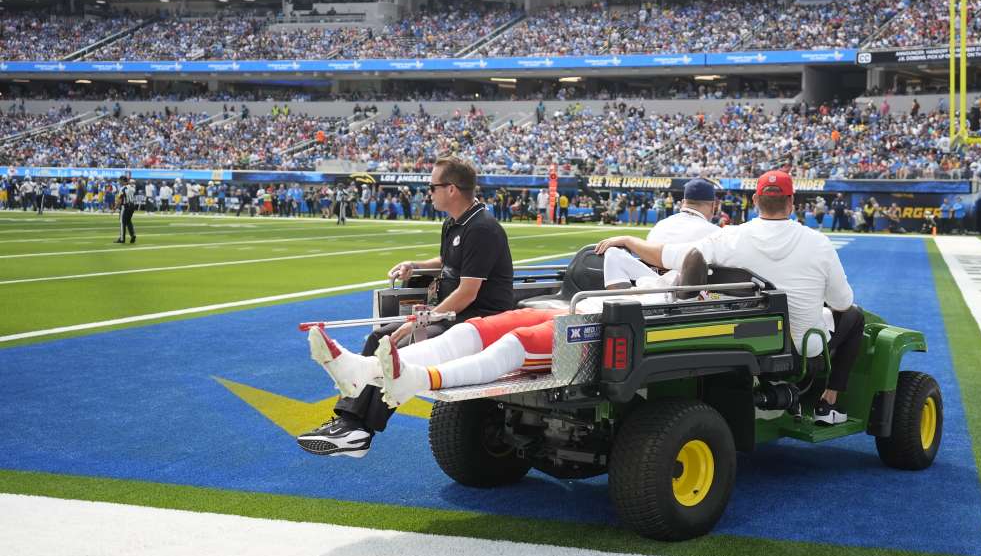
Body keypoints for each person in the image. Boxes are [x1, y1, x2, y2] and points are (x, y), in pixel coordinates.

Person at [595, 170, 862, 426]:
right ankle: (828, 403)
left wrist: (629, 240)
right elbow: (841, 303)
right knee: (854, 316)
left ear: (755, 201)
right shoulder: (818, 243)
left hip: (750, 339)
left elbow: (666, 256)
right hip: (800, 350)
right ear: (791, 202)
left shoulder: (728, 236)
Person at [306, 249, 711, 416]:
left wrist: (681, 285)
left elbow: (695, 261)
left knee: (513, 346)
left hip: (593, 324)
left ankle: (412, 378)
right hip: (576, 308)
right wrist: (638, 256)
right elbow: (619, 258)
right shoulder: (650, 280)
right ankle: (361, 369)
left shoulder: (683, 300)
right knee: (481, 329)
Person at [297, 157, 516, 458]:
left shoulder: (482, 228)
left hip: (480, 319)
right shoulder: (455, 223)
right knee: (379, 339)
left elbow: (467, 292)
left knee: (395, 343)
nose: (429, 192)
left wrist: (416, 322)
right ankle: (351, 424)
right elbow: (449, 262)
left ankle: (357, 430)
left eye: (432, 186)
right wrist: (416, 265)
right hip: (454, 314)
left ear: (451, 189)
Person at [602, 178, 721, 289]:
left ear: (683, 202)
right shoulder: (715, 232)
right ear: (712, 206)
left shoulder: (660, 225)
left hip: (648, 291)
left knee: (613, 254)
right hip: (689, 298)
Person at [114, 176, 139, 244]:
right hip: (132, 206)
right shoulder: (132, 187)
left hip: (125, 206)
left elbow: (120, 200)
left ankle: (122, 239)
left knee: (122, 222)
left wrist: (115, 207)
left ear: (123, 181)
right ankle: (133, 235)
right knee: (128, 222)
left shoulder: (122, 188)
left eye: (120, 181)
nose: (119, 182)